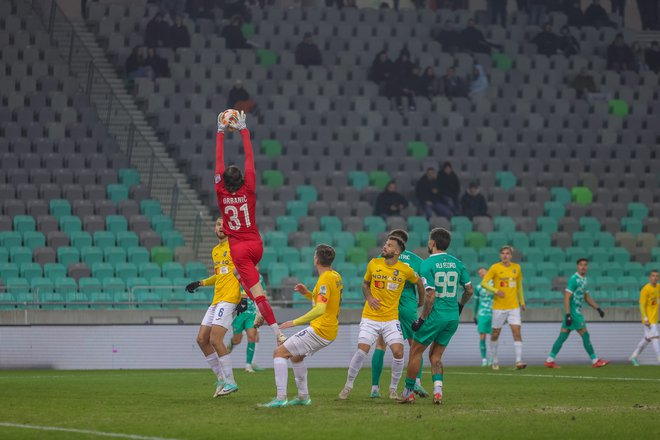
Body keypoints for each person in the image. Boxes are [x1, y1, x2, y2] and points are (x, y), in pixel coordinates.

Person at [215, 110, 285, 346]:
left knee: (257, 293)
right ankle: (269, 324)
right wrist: (244, 130)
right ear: (242, 180)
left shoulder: (220, 191)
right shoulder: (249, 188)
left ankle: (278, 333)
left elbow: (218, 162)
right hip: (256, 245)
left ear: (223, 181)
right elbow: (250, 161)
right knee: (248, 283)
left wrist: (220, 133)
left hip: (239, 250)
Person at [338, 235, 425, 400]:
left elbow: (419, 282)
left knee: (399, 352)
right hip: (371, 318)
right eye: (386, 244)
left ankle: (392, 389)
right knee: (362, 350)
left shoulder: (405, 270)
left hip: (391, 319)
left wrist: (420, 301)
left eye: (389, 245)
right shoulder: (374, 263)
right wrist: (369, 298)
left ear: (397, 251)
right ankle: (348, 386)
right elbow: (365, 284)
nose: (385, 247)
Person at [260, 245, 343, 407]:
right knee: (296, 356)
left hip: (320, 329)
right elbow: (326, 301)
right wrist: (307, 293)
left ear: (316, 259)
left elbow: (320, 308)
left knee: (279, 353)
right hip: (330, 330)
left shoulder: (325, 279)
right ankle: (303, 397)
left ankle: (280, 398)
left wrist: (294, 322)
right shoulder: (335, 276)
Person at [398, 228, 473, 405]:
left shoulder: (427, 265)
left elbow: (430, 295)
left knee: (415, 351)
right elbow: (469, 290)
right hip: (452, 318)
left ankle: (408, 392)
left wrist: (422, 319)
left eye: (429, 241)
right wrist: (460, 305)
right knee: (436, 356)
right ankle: (438, 392)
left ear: (433, 243)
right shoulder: (458, 263)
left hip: (434, 316)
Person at [186, 217, 242, 397]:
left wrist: (243, 296)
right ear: (214, 228)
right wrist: (200, 283)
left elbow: (246, 271)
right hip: (217, 299)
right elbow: (220, 276)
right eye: (218, 224)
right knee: (202, 339)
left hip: (230, 298)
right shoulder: (216, 251)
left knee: (215, 339)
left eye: (224, 224)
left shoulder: (235, 247)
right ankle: (221, 378)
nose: (221, 227)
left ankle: (231, 382)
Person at [370, 230, 428, 399]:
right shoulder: (417, 261)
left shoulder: (383, 259)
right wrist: (421, 301)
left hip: (388, 307)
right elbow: (421, 284)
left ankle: (375, 388)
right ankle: (416, 382)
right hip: (408, 306)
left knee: (381, 345)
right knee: (415, 346)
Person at [544, 259, 609, 368]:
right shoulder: (574, 280)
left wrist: (598, 308)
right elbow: (566, 297)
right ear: (577, 267)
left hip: (573, 313)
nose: (583, 267)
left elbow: (587, 297)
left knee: (562, 336)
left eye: (585, 265)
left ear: (587, 267)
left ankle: (550, 360)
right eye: (581, 265)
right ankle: (595, 360)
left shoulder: (585, 280)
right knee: (585, 335)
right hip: (574, 313)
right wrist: (568, 314)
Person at [480, 245, 526, 370]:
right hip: (499, 307)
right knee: (495, 333)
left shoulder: (517, 268)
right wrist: (495, 290)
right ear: (500, 255)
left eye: (508, 253)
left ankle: (518, 361)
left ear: (511, 255)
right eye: (503, 253)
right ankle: (494, 360)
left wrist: (522, 302)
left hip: (513, 306)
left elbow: (519, 286)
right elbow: (483, 283)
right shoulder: (495, 268)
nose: (505, 255)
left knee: (517, 332)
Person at [228, 271, 264, 373]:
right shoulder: (236, 277)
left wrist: (260, 312)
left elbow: (261, 294)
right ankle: (230, 345)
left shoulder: (257, 278)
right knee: (237, 340)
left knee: (252, 336)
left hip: (251, 314)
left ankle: (248, 365)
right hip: (239, 314)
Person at [629, 270, 660, 366]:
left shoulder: (658, 288)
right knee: (655, 338)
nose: (655, 277)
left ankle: (633, 356)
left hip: (655, 318)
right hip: (649, 320)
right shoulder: (645, 289)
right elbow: (641, 305)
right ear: (650, 277)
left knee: (647, 339)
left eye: (657, 276)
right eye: (653, 276)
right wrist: (645, 318)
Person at [473, 267, 493, 367]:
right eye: (480, 273)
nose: (481, 274)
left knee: (494, 337)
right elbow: (476, 302)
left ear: (487, 272)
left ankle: (492, 358)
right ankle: (484, 359)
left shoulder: (495, 285)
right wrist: (474, 315)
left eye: (483, 272)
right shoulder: (478, 287)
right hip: (482, 314)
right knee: (482, 336)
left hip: (493, 313)